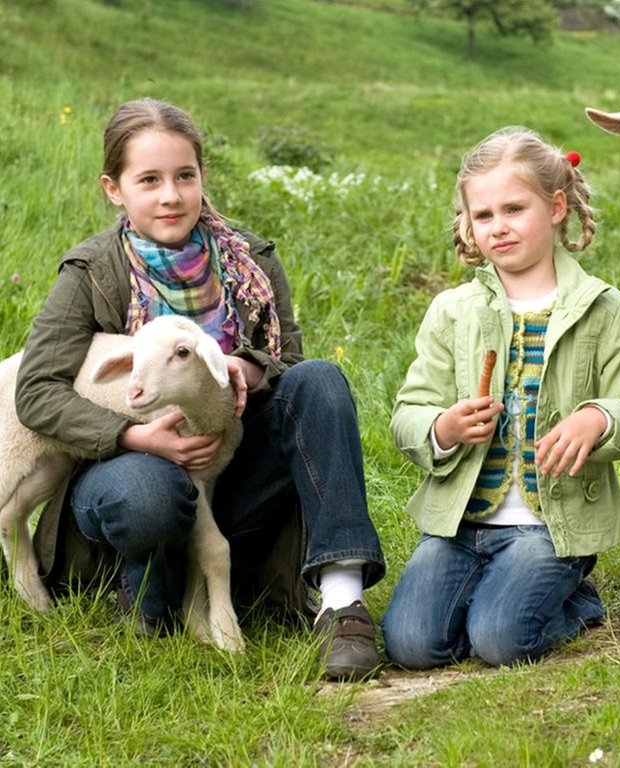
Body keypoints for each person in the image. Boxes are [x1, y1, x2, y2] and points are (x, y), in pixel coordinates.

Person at [15, 98, 385, 681]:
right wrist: (131, 435)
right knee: (149, 491)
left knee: (320, 381)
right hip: (123, 474)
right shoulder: (91, 273)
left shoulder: (250, 259)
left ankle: (342, 602)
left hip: (227, 466)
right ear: (115, 189)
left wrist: (251, 369)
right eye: (149, 180)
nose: (171, 195)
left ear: (202, 177)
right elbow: (35, 391)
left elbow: (289, 358)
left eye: (185, 176)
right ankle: (139, 583)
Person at [381, 127, 620, 669]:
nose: (499, 227)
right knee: (412, 645)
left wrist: (599, 419)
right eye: (483, 216)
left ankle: (574, 600)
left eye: (514, 208)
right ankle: (496, 593)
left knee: (501, 641)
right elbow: (408, 414)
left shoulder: (606, 309)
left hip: (550, 527)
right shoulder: (453, 311)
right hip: (460, 524)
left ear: (556, 206)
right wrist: (443, 429)